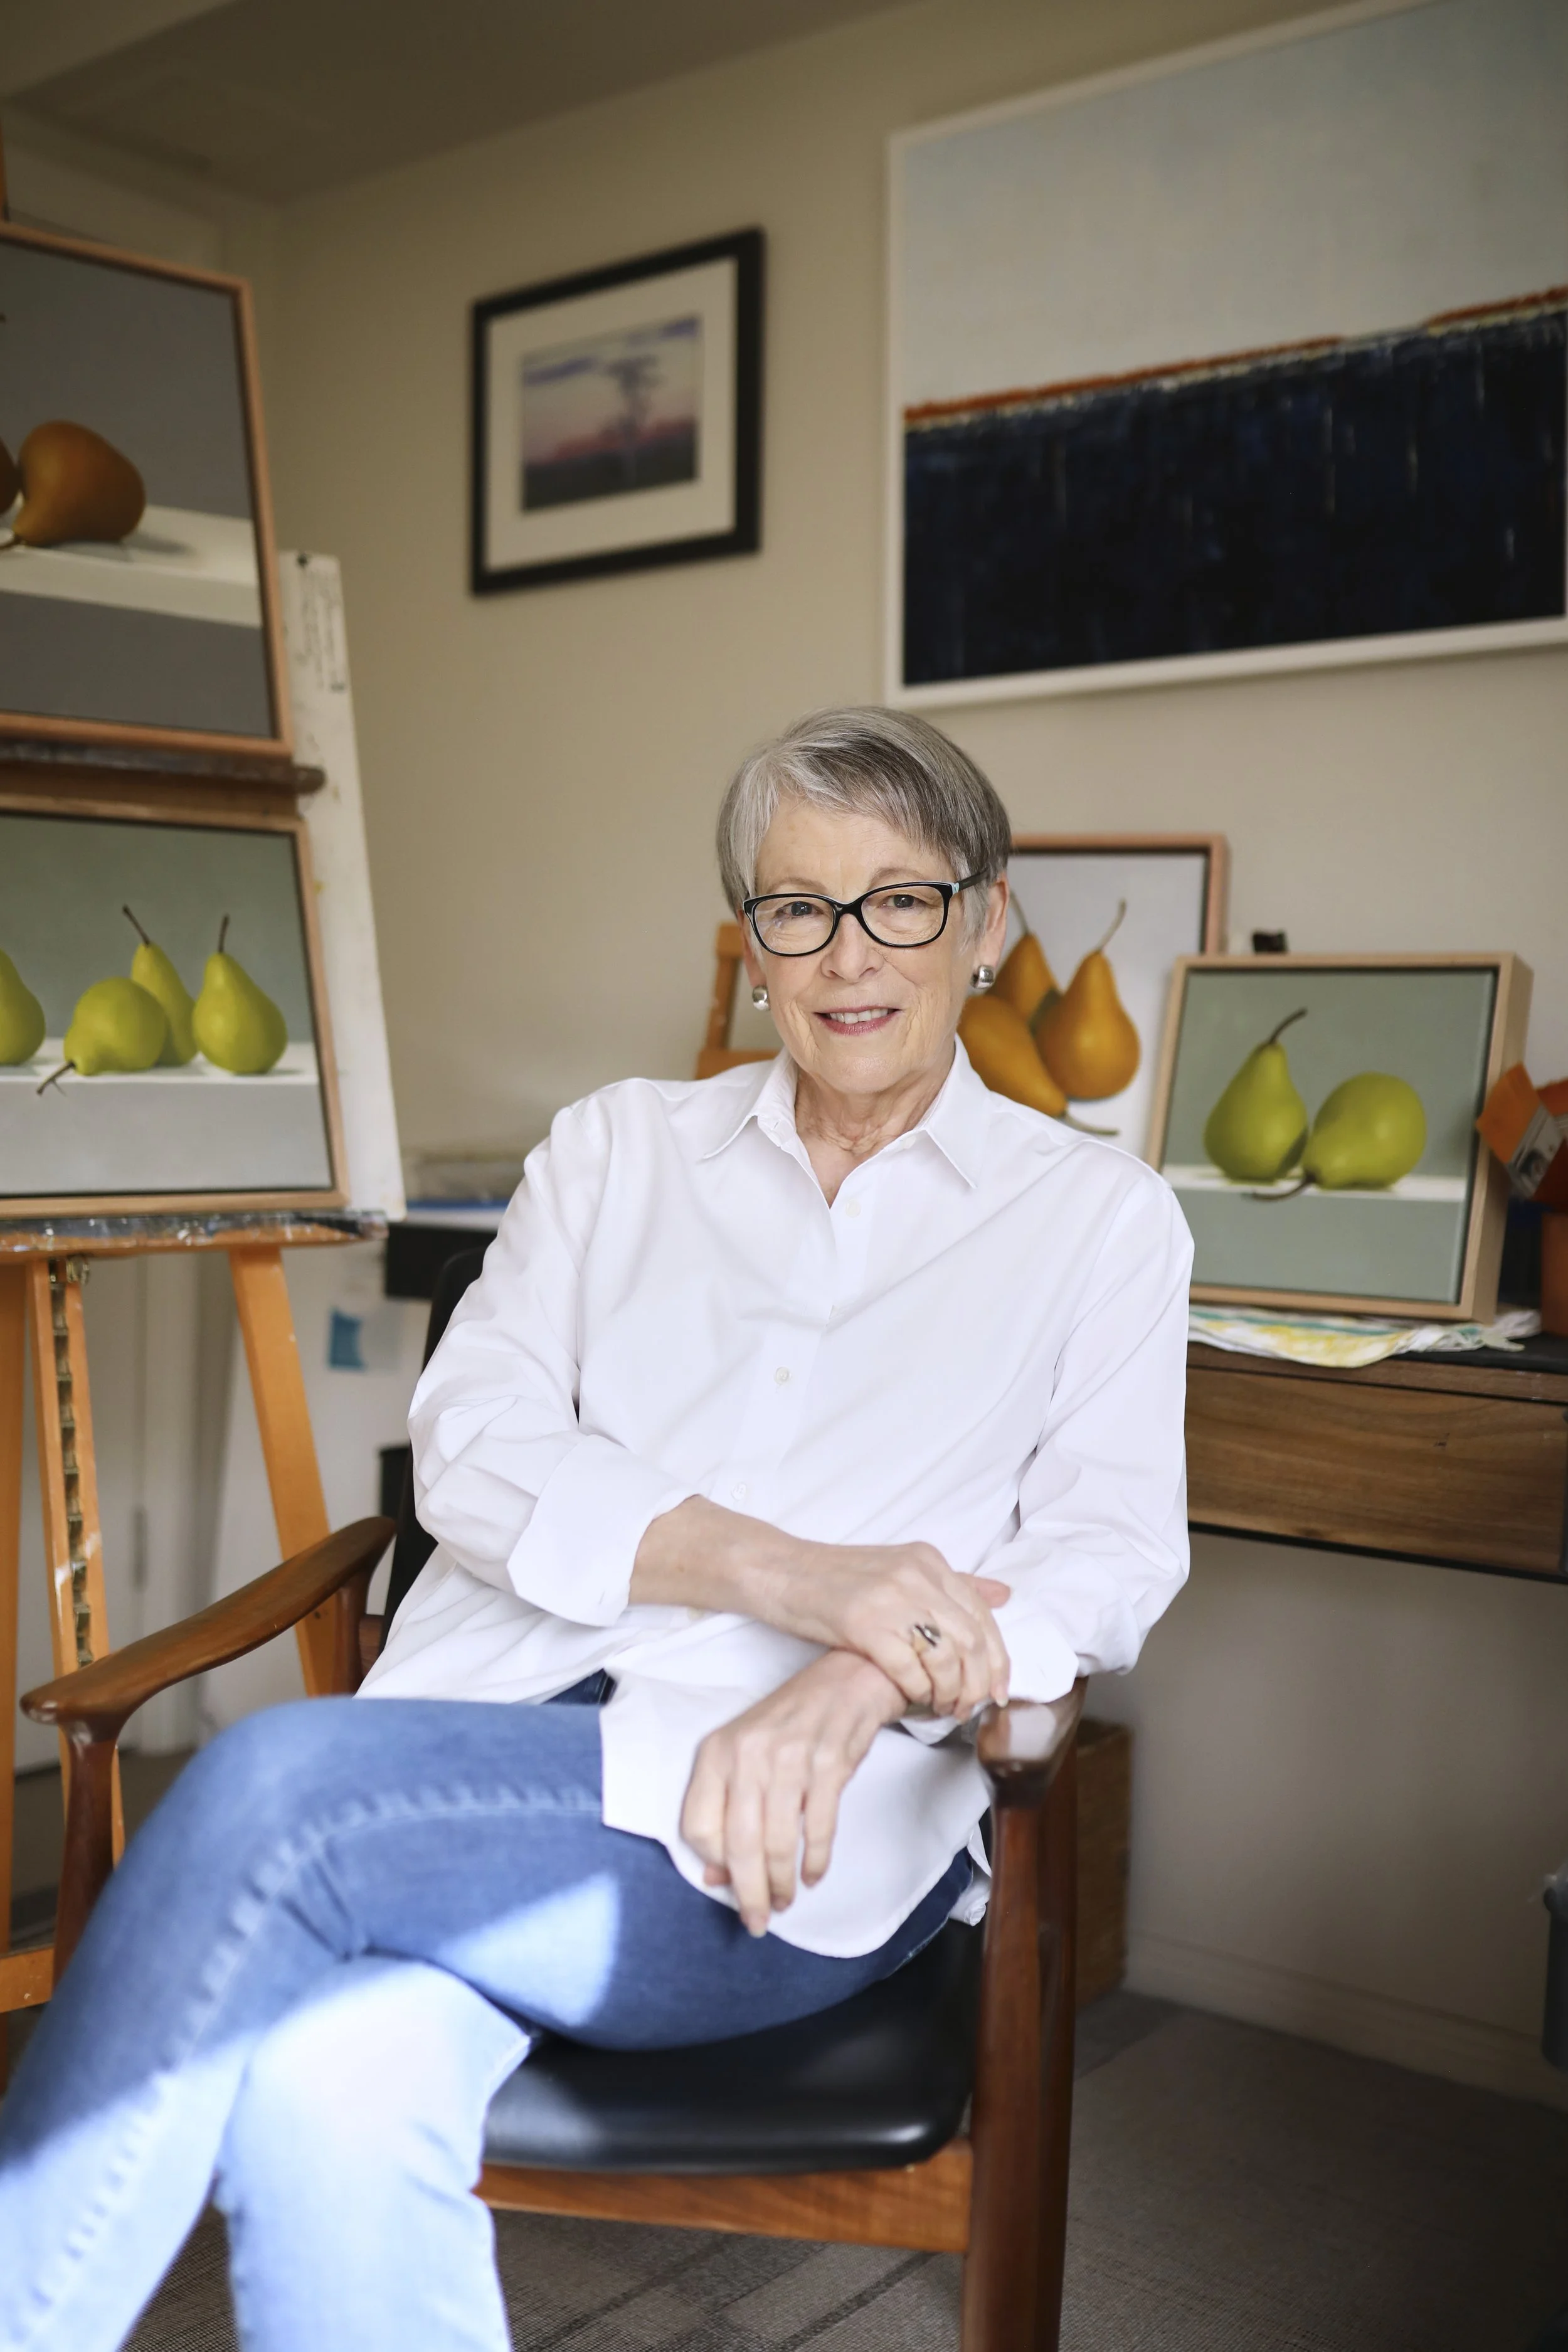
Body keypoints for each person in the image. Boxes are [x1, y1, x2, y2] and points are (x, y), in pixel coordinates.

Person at [0, 707, 1191, 2352]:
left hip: (776, 1835)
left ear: (985, 924)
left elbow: (1105, 1555)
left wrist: (859, 1677)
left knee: (273, 1783)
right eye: (797, 906)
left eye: (901, 900)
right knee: (340, 2083)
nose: (849, 953)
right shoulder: (620, 1149)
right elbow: (471, 1447)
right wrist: (797, 1571)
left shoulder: (1096, 1222)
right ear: (751, 944)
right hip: (480, 1728)